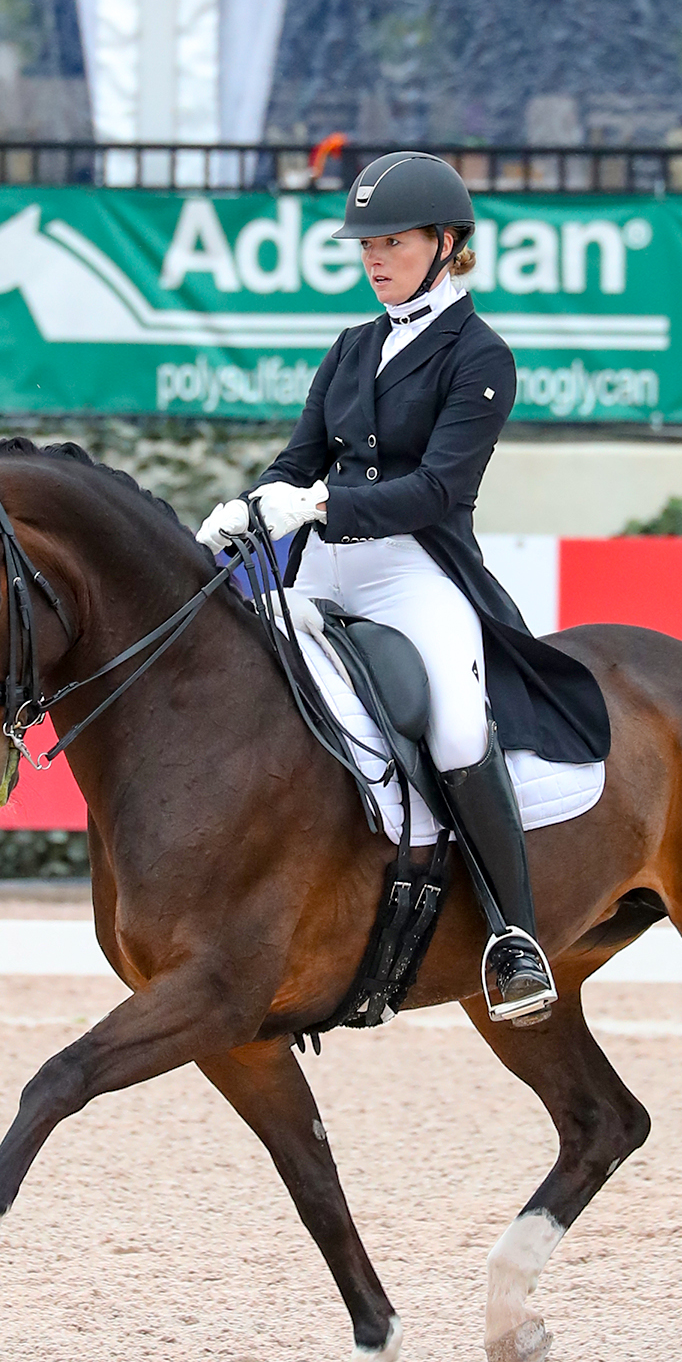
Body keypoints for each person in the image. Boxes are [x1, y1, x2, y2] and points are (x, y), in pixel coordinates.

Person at [197, 151, 611, 1025]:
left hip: (416, 568)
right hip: (322, 563)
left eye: (392, 242)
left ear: (447, 243)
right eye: (365, 245)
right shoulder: (351, 348)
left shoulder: (480, 356)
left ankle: (515, 940)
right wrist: (247, 509)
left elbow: (438, 491)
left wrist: (318, 501)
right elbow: (294, 460)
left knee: (460, 729)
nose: (374, 258)